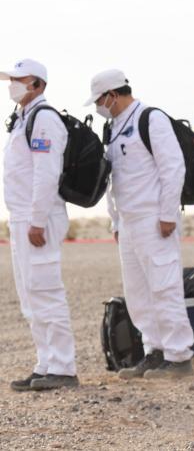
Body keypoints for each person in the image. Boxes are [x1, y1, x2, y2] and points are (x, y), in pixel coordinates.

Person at [88, 68, 194, 379]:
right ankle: (154, 350)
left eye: (99, 99)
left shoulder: (150, 118)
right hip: (129, 221)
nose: (98, 105)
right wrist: (115, 222)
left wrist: (166, 214)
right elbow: (114, 180)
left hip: (154, 218)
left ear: (112, 94)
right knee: (138, 292)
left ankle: (179, 357)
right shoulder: (114, 126)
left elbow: (172, 168)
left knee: (164, 287)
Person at [2, 59, 78, 391]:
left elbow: (46, 174)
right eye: (11, 79)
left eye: (20, 79)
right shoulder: (22, 119)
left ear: (38, 84)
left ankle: (63, 367)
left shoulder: (44, 119)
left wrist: (36, 220)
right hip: (22, 218)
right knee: (31, 297)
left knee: (46, 292)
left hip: (40, 219)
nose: (12, 84)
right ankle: (45, 363)